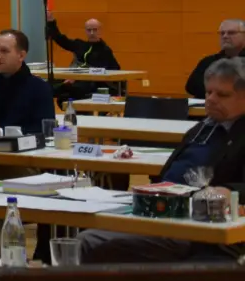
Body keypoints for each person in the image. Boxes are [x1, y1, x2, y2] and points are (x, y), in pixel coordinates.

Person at [79, 57, 245, 264]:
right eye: (208, 92)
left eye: (222, 94)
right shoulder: (202, 128)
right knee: (87, 233)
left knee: (88, 242)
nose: (211, 99)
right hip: (160, 210)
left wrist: (228, 191)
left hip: (197, 225)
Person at [0, 30, 55, 138]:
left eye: (4, 51)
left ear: (21, 56)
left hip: (25, 151)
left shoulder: (39, 88)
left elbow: (45, 129)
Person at [45, 8, 121, 102]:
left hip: (91, 83)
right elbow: (61, 39)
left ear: (100, 31)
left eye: (95, 30)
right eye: (89, 30)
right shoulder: (80, 45)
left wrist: (75, 79)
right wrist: (51, 22)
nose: (92, 33)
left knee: (68, 90)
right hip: (74, 79)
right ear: (85, 31)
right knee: (47, 85)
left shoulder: (105, 50)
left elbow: (103, 70)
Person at [186, 19, 245, 99]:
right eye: (222, 33)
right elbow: (191, 87)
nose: (225, 36)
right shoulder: (208, 62)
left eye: (231, 33)